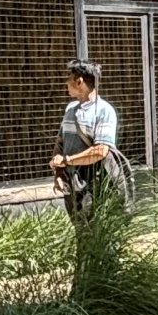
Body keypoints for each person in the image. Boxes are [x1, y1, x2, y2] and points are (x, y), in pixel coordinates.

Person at [49, 59, 127, 221]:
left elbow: (100, 151)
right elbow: (60, 141)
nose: (66, 83)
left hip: (94, 185)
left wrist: (67, 160)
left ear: (79, 82)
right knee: (80, 231)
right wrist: (58, 172)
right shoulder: (70, 109)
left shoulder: (104, 111)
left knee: (94, 231)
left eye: (69, 79)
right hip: (71, 185)